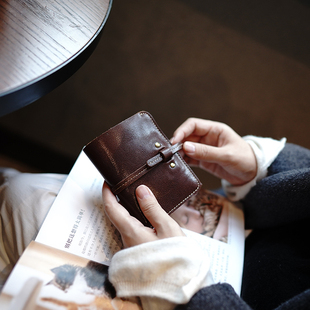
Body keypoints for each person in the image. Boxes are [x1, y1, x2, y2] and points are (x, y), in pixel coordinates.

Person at [0, 118, 309, 309]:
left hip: (192, 294)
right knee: (27, 194)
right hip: (247, 229)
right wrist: (264, 164)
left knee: (25, 199)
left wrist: (173, 275)